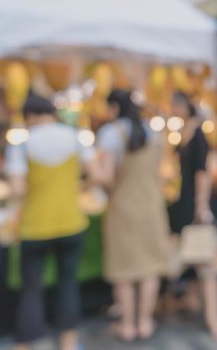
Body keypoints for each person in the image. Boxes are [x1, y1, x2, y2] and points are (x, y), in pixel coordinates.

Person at [5, 93, 97, 350]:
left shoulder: (23, 144)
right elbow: (96, 175)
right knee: (68, 285)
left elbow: (17, 190)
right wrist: (76, 188)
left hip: (35, 226)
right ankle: (68, 342)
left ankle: (25, 344)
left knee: (31, 290)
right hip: (71, 221)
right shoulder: (75, 137)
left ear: (30, 116)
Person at [95, 89, 172, 341]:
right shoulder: (155, 132)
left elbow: (105, 178)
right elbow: (162, 170)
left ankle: (127, 325)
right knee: (149, 267)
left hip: (123, 207)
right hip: (151, 205)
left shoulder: (110, 134)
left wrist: (93, 178)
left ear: (114, 108)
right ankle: (145, 322)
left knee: (124, 270)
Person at [168, 92, 217, 341]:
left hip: (194, 204)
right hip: (184, 202)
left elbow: (202, 172)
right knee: (192, 256)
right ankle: (192, 300)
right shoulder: (184, 131)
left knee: (205, 261)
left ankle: (213, 317)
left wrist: (201, 206)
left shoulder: (198, 134)